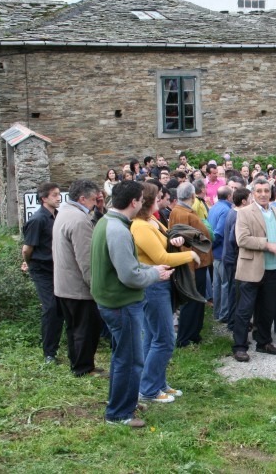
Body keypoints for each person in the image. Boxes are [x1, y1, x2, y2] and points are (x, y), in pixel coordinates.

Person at [91, 180, 174, 428]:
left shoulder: (108, 222)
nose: (144, 203)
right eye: (141, 199)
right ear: (134, 202)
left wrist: (149, 267)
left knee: (121, 358)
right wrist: (154, 274)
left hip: (113, 301)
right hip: (121, 303)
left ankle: (124, 402)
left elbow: (124, 264)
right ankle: (118, 414)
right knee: (130, 360)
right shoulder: (117, 230)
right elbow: (128, 275)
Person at [131, 182, 199, 403]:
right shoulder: (140, 225)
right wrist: (190, 256)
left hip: (160, 283)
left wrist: (175, 240)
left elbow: (165, 244)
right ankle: (149, 388)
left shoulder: (152, 220)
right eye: (160, 196)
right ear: (149, 200)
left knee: (152, 337)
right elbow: (161, 258)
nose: (164, 199)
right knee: (165, 339)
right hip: (153, 285)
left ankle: (156, 383)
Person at [232, 178, 276, 362]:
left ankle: (263, 342)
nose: (263, 194)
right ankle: (239, 346)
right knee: (245, 310)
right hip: (251, 268)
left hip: (273, 268)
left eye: (266, 191)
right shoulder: (244, 213)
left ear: (271, 193)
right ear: (253, 193)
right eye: (259, 191)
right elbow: (242, 240)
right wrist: (267, 245)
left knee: (268, 309)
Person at [52, 179, 106, 378]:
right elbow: (86, 260)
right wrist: (96, 287)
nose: (94, 203)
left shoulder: (65, 211)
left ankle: (78, 364)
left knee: (74, 328)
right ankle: (84, 368)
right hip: (78, 288)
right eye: (93, 200)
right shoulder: (79, 220)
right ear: (82, 198)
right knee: (86, 329)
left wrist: (99, 210)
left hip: (64, 285)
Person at [22, 182, 63, 365]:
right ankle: (49, 353)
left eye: (58, 194)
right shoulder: (38, 219)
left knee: (61, 307)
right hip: (41, 269)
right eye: (54, 195)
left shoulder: (57, 216)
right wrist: (30, 264)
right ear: (44, 198)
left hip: (57, 268)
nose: (58, 197)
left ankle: (57, 346)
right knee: (51, 308)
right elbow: (27, 249)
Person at [169, 182, 213, 347]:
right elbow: (182, 241)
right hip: (192, 264)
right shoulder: (182, 213)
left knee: (197, 299)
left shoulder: (183, 210)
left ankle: (194, 333)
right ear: (193, 196)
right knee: (191, 300)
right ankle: (185, 337)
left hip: (198, 263)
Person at [222, 187, 251, 329]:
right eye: (250, 198)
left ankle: (233, 320)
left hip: (229, 257)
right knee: (235, 292)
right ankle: (233, 323)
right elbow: (236, 239)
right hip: (233, 258)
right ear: (244, 201)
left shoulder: (232, 211)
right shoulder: (238, 215)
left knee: (233, 291)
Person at [208, 186, 233, 323]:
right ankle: (224, 314)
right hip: (221, 252)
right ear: (229, 196)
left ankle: (217, 313)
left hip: (215, 253)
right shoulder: (226, 210)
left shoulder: (214, 207)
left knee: (217, 284)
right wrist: (212, 245)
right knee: (224, 284)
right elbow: (218, 233)